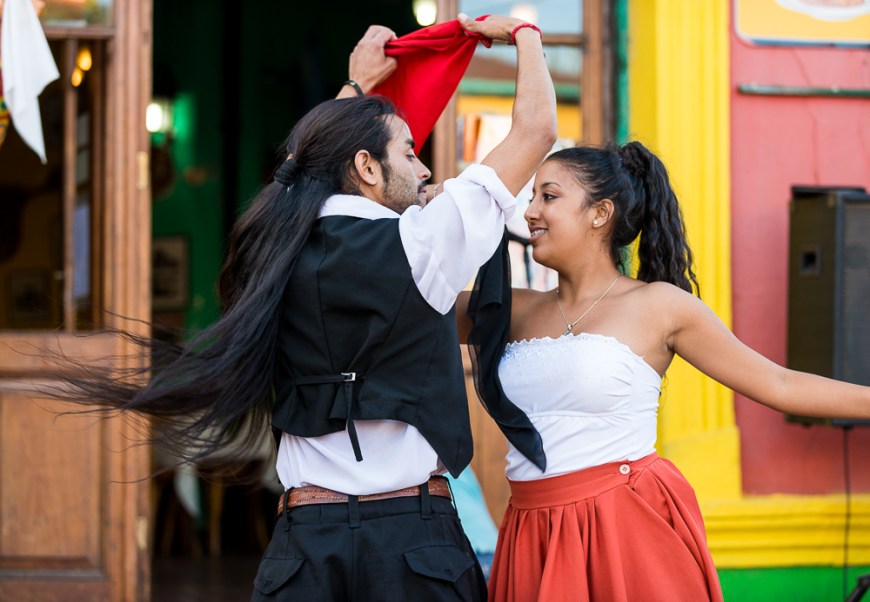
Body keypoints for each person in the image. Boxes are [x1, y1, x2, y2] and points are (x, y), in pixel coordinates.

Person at [53, 13, 556, 602]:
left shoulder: (268, 249)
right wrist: (524, 34)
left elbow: (305, 171)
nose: (424, 170)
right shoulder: (423, 242)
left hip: (306, 546)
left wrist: (356, 85)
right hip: (412, 543)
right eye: (410, 151)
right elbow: (537, 130)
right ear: (366, 168)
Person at [457, 142, 870, 602]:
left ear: (600, 213)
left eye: (548, 196)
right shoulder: (512, 309)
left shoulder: (659, 306)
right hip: (531, 531)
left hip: (624, 527)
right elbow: (412, 305)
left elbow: (779, 383)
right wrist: (444, 209)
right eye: (531, 197)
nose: (530, 211)